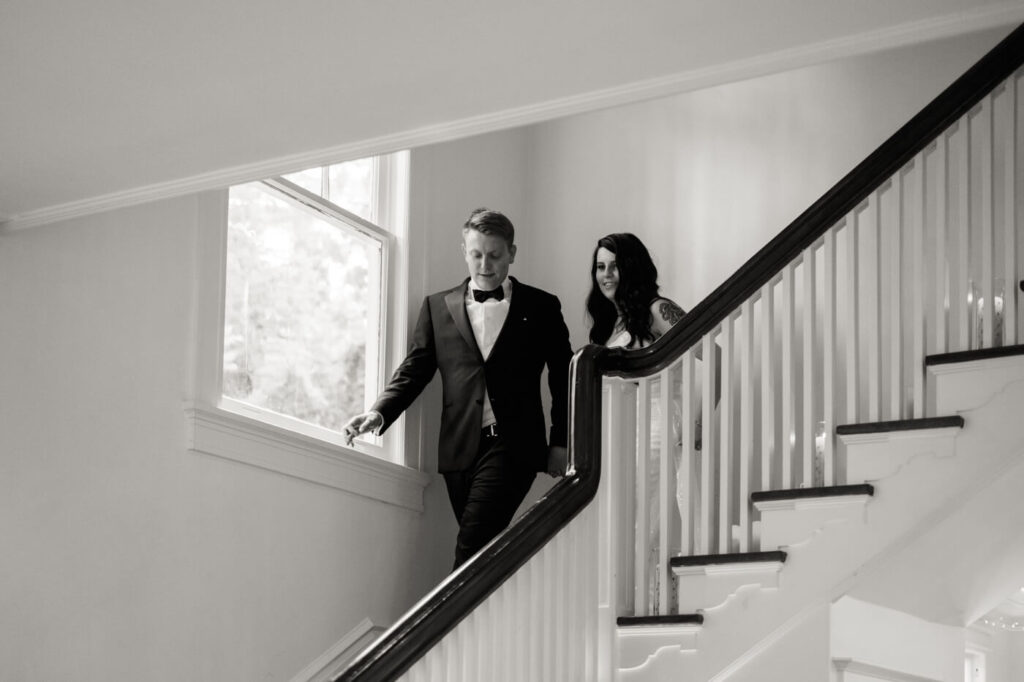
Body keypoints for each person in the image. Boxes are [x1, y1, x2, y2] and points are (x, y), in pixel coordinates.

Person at [343, 208, 573, 569]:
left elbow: (564, 376)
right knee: (482, 550)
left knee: (471, 546)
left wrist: (560, 441)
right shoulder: (437, 307)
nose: (485, 264)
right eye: (477, 254)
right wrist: (379, 411)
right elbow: (415, 369)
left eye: (495, 255)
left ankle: (449, 627)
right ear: (464, 251)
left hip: (514, 445)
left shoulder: (542, 306)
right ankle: (492, 622)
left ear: (512, 253)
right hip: (458, 450)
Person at [586, 232, 685, 348]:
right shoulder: (609, 321)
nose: (607, 274)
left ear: (633, 268)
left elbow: (708, 349)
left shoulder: (657, 309)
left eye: (615, 266)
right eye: (601, 267)